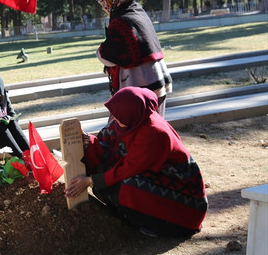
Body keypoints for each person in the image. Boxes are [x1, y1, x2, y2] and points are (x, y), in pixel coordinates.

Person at [65, 86, 208, 237]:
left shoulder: (154, 133)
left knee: (126, 189)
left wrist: (90, 180)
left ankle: (160, 227)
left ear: (132, 113)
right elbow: (109, 145)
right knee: (105, 185)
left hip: (185, 202)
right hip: (151, 176)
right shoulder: (133, 121)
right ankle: (134, 217)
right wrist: (89, 142)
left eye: (120, 116)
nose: (116, 119)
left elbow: (128, 169)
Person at [95, 0, 172, 117]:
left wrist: (99, 51)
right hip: (159, 81)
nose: (104, 9)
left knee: (132, 132)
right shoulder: (138, 13)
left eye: (104, 4)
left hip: (141, 88)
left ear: (112, 1)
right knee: (155, 128)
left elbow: (107, 54)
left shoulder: (120, 20)